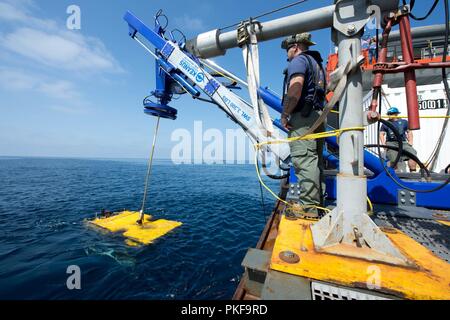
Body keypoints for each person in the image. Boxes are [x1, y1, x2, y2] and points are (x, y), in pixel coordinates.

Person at [280, 33, 326, 218]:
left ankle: (309, 211)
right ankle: (318, 205)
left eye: (288, 49)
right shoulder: (317, 65)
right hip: (316, 117)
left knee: (304, 161)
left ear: (296, 46)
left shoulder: (298, 61)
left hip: (303, 118)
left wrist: (285, 114)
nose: (287, 54)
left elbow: (295, 88)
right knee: (315, 162)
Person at [380, 107, 418, 172]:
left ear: (396, 114)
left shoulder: (404, 122)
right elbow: (381, 134)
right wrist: (384, 145)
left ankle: (413, 172)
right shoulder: (385, 123)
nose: (389, 115)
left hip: (403, 142)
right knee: (393, 158)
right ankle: (395, 174)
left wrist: (410, 141)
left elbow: (409, 132)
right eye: (389, 114)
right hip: (391, 143)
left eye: (391, 113)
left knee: (413, 154)